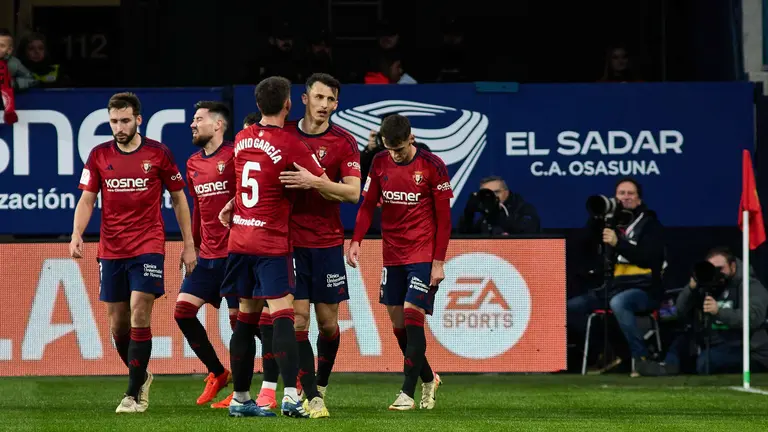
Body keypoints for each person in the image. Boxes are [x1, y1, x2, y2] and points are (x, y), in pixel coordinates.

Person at [70, 92, 197, 413]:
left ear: (138, 120)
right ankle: (141, 375)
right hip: (112, 249)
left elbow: (179, 198)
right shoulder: (99, 155)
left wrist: (188, 245)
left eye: (125, 120)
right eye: (114, 121)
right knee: (118, 325)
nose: (119, 127)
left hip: (148, 245)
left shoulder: (158, 153)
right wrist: (76, 233)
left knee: (140, 309)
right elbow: (87, 199)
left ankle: (132, 394)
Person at [217, 76, 328, 419]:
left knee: (246, 319)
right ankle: (292, 397)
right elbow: (321, 181)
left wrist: (233, 204)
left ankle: (240, 398)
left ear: (258, 105)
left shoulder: (241, 138)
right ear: (288, 105)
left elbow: (246, 182)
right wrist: (312, 180)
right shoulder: (291, 143)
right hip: (271, 242)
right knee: (284, 317)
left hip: (239, 240)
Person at [346, 114, 450, 410]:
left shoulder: (432, 166)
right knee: (398, 323)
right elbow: (367, 204)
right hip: (392, 254)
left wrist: (438, 262)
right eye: (391, 149)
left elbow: (444, 219)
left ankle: (407, 393)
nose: (396, 154)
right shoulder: (379, 161)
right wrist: (356, 240)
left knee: (413, 314)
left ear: (411, 138)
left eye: (400, 149)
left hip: (422, 254)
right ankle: (429, 378)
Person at [276, 73, 361, 405]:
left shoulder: (344, 142)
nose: (324, 105)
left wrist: (315, 182)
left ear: (336, 104)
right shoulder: (284, 134)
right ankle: (308, 390)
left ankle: (321, 382)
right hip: (289, 242)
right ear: (305, 98)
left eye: (330, 100)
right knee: (299, 320)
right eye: (319, 97)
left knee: (327, 324)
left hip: (326, 243)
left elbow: (352, 193)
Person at [211, 110, 283, 411]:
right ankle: (251, 393)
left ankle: (261, 391)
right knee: (255, 320)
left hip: (249, 244)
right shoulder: (257, 155)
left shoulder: (253, 151)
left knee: (261, 321)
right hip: (257, 244)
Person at [175, 101, 239, 406]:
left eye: (198, 119)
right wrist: (192, 246)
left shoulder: (236, 155)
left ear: (218, 125)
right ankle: (218, 371)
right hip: (207, 255)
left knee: (244, 324)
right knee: (183, 312)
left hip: (236, 255)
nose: (193, 124)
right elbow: (198, 208)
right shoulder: (192, 163)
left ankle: (275, 379)